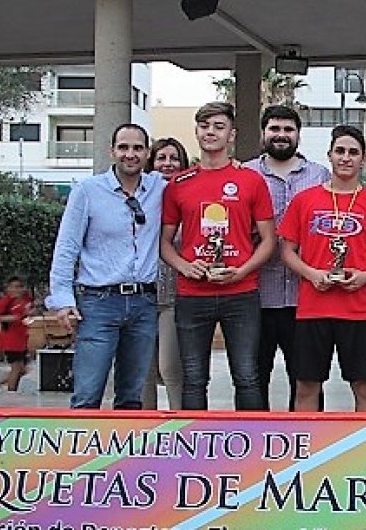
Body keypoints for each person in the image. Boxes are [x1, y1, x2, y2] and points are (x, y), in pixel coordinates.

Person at [161, 102, 275, 411]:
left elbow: (268, 240)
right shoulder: (178, 184)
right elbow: (165, 243)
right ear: (196, 132)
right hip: (192, 293)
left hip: (241, 293)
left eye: (218, 127)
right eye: (205, 126)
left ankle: (252, 447)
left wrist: (242, 270)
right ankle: (193, 450)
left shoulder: (250, 180)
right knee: (194, 378)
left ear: (232, 135)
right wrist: (187, 267)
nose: (211, 132)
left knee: (248, 375)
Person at [48, 123, 166, 409]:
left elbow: (196, 183)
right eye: (123, 147)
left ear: (147, 152)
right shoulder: (87, 191)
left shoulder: (160, 189)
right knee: (88, 393)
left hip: (143, 302)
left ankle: (125, 454)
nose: (130, 154)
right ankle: (81, 454)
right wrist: (62, 300)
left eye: (137, 148)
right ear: (111, 151)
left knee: (131, 395)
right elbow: (67, 247)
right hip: (99, 302)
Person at [278, 125, 366, 412]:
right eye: (340, 151)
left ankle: (365, 450)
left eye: (353, 152)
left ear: (363, 159)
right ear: (329, 155)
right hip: (313, 308)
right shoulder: (305, 200)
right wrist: (313, 274)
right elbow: (286, 251)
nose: (346, 158)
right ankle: (309, 452)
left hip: (359, 309)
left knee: (365, 385)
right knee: (306, 385)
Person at [244, 105, 330, 411]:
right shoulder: (245, 174)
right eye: (274, 129)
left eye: (288, 130)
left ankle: (309, 445)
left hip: (305, 296)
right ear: (264, 133)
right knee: (253, 376)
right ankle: (254, 446)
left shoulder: (320, 175)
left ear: (298, 135)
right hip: (256, 295)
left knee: (307, 377)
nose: (281, 136)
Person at [142, 137, 189, 410]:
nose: (168, 164)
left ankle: (178, 426)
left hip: (175, 295)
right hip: (143, 295)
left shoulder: (189, 197)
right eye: (162, 158)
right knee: (142, 371)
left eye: (174, 159)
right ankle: (144, 431)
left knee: (170, 367)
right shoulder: (140, 197)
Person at [0, 276, 37, 393]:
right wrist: (10, 318)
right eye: (13, 287)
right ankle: (11, 393)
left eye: (19, 287)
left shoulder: (26, 301)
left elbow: (26, 316)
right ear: (8, 288)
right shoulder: (6, 302)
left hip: (22, 339)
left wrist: (29, 315)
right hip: (11, 340)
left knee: (23, 369)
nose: (16, 290)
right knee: (16, 368)